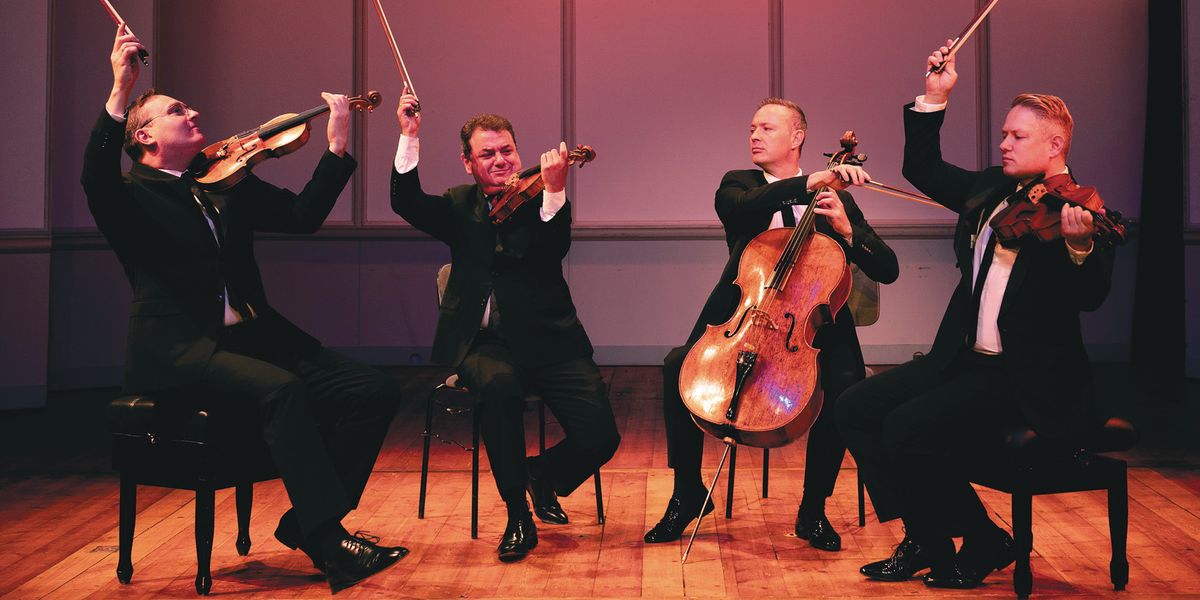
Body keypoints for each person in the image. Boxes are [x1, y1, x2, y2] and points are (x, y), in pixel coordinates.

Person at [82, 26, 407, 593]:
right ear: (145, 136)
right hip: (184, 349)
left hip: (253, 338)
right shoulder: (131, 197)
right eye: (176, 110)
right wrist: (120, 89)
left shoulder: (222, 183)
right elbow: (94, 175)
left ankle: (306, 522)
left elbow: (303, 217)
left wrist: (335, 147)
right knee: (283, 390)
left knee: (374, 390)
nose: (193, 113)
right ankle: (329, 541)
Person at [836, 41, 1116, 589]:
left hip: (1023, 376)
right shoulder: (991, 188)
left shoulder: (1078, 210)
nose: (1004, 143)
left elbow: (1091, 296)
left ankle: (983, 538)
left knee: (906, 426)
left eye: (1018, 137)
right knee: (856, 407)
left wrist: (1080, 248)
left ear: (1056, 144)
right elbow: (921, 166)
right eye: (1005, 134)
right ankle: (926, 538)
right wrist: (934, 97)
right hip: (962, 360)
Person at [642, 98, 898, 550]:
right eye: (752, 129)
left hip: (812, 324)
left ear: (797, 137)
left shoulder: (838, 202)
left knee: (846, 387)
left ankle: (813, 509)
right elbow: (744, 206)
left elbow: (888, 268)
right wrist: (809, 182)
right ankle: (687, 494)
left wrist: (848, 231)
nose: (755, 136)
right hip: (745, 310)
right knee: (677, 365)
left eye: (766, 128)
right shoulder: (739, 183)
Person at [389, 88, 620, 562]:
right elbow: (405, 201)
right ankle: (517, 515)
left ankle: (542, 475)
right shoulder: (458, 205)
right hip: (483, 343)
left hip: (551, 339)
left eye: (507, 150)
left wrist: (554, 189)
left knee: (601, 437)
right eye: (487, 154)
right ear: (467, 163)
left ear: (518, 151)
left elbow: (553, 249)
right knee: (499, 389)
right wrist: (409, 134)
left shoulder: (541, 200)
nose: (500, 160)